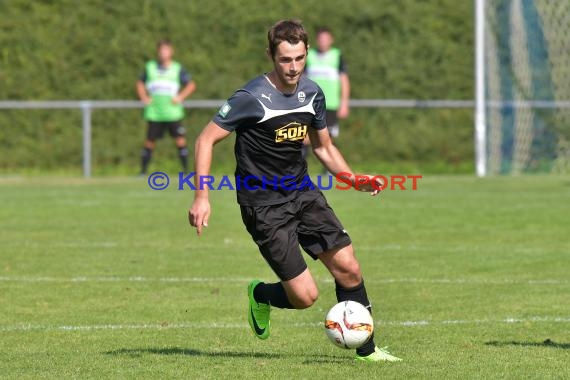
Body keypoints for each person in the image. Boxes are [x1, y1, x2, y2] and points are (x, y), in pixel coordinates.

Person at [188, 20, 401, 362]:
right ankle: (260, 294)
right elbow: (205, 139)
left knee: (349, 267)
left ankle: (367, 349)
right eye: (285, 59)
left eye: (299, 58)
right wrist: (202, 196)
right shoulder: (251, 97)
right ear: (271, 55)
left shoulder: (313, 93)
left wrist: (352, 178)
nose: (293, 67)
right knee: (305, 297)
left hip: (302, 193)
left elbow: (323, 147)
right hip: (264, 206)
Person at [136, 39, 196, 174]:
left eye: (166, 50)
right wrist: (144, 97)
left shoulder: (177, 68)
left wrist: (180, 97)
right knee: (149, 141)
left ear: (171, 51)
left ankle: (186, 171)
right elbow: (140, 82)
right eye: (161, 50)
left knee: (180, 141)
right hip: (155, 112)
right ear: (158, 52)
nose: (164, 53)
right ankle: (143, 171)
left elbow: (191, 85)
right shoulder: (150, 67)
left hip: (173, 112)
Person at [305, 27, 350, 142]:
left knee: (328, 138)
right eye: (321, 39)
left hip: (330, 104)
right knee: (304, 136)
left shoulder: (336, 55)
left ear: (331, 40)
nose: (323, 41)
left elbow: (344, 81)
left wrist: (344, 103)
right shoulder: (309, 55)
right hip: (310, 103)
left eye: (326, 39)